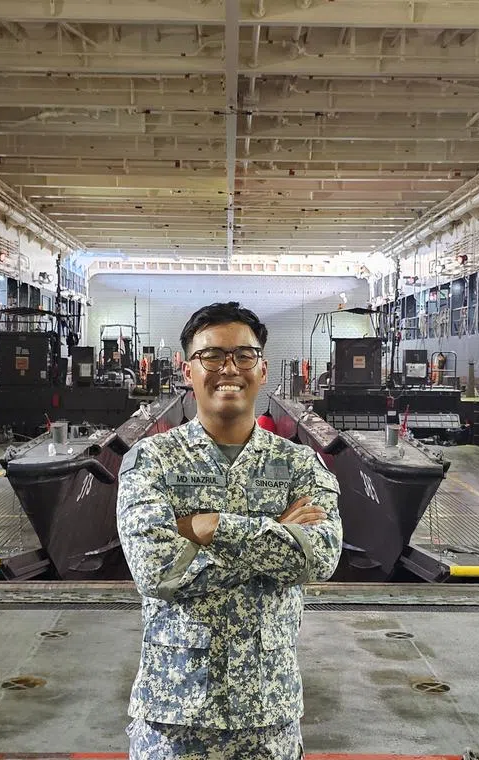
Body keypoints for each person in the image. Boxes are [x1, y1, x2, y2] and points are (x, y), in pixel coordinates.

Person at [116, 301, 343, 759]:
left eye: (243, 355)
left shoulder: (298, 463)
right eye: (212, 356)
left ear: (263, 369)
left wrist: (210, 526)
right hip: (173, 715)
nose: (229, 369)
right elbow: (157, 570)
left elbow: (319, 556)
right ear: (188, 371)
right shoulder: (152, 460)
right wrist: (275, 533)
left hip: (268, 714)